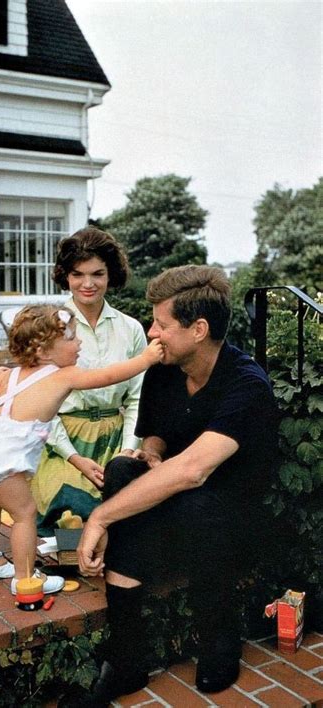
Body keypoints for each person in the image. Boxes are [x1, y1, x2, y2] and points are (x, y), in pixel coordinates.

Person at [60, 265, 279, 706]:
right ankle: (126, 657)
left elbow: (193, 471)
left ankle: (218, 636)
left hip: (231, 518)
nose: (151, 331)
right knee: (123, 470)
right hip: (179, 503)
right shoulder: (164, 368)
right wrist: (152, 452)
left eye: (161, 323)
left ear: (199, 329)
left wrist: (100, 518)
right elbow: (157, 433)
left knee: (197, 503)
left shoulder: (246, 384)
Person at [0, 304, 162, 595]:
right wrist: (146, 359)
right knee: (24, 514)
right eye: (72, 338)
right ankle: (25, 580)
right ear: (43, 350)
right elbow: (109, 375)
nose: (80, 343)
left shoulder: (9, 375)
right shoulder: (64, 376)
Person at [31, 227, 147, 536]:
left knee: (128, 517)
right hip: (61, 443)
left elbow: (138, 397)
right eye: (77, 274)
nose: (87, 284)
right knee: (70, 516)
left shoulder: (131, 329)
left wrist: (127, 451)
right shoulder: (49, 326)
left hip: (116, 441)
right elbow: (39, 403)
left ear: (111, 275)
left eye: (97, 273)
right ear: (65, 275)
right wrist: (75, 458)